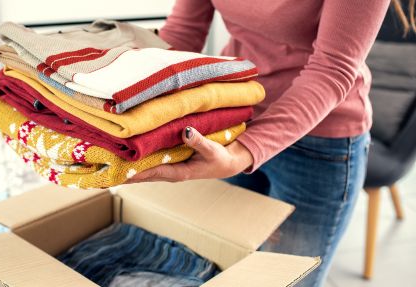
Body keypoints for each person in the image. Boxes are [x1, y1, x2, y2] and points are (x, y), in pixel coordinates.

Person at [128, 0, 415, 286]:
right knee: (225, 266)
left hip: (320, 141)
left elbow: (333, 70)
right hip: (236, 116)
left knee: (285, 279)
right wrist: (122, 89)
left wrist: (244, 152)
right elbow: (183, 32)